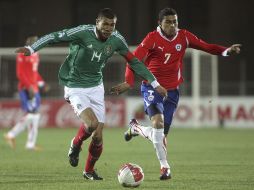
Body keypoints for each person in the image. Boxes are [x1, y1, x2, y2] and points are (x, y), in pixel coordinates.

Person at [15, 8, 167, 180]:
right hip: (75, 86)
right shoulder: (82, 33)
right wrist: (32, 48)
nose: (109, 28)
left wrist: (155, 83)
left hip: (96, 87)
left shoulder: (117, 40)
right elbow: (55, 36)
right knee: (92, 124)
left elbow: (134, 62)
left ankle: (88, 171)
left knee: (98, 137)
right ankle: (76, 144)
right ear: (97, 22)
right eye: (105, 24)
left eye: (112, 24)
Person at [110, 7, 241, 180]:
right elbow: (133, 60)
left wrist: (226, 51)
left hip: (172, 92)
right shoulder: (152, 38)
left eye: (175, 22)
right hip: (151, 88)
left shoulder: (184, 36)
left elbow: (206, 47)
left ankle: (136, 128)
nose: (173, 25)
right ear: (160, 23)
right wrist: (129, 81)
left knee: (161, 135)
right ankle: (165, 167)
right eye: (168, 22)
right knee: (157, 123)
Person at [4, 36, 47, 151]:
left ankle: (28, 143)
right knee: (33, 114)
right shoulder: (23, 54)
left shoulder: (36, 54)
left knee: (35, 115)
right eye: (36, 42)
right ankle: (12, 135)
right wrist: (29, 87)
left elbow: (34, 72)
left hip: (34, 88)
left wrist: (41, 83)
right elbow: (20, 74)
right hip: (26, 89)